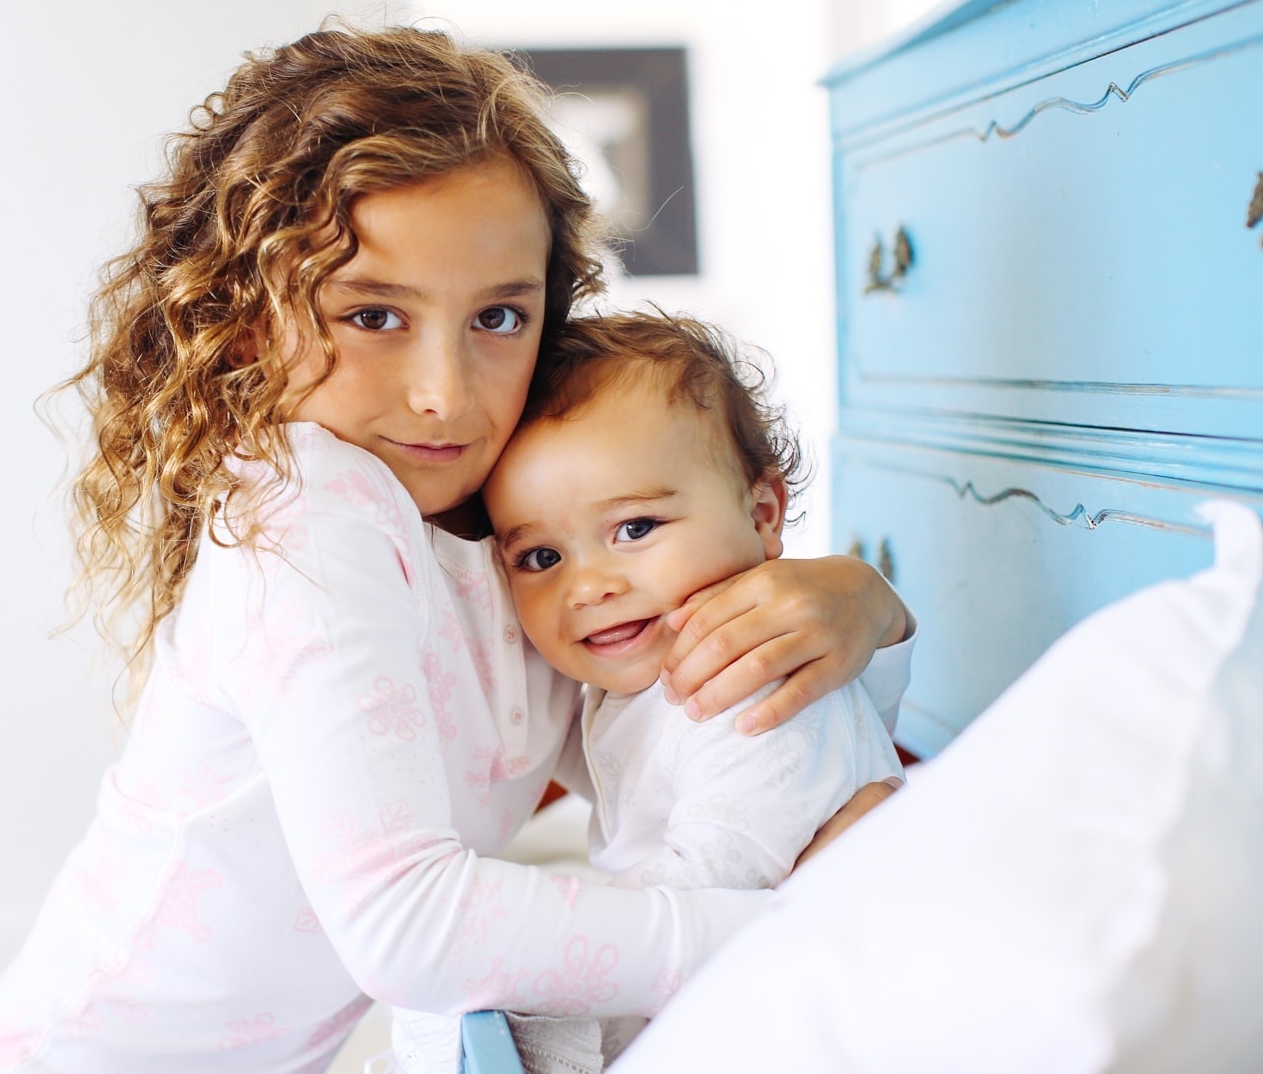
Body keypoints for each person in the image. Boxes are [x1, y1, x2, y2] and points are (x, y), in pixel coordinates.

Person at [0, 25, 912, 1074]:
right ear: (249, 320)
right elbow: (408, 925)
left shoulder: (514, 548)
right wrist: (797, 930)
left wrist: (863, 607)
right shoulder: (309, 512)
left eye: (497, 315)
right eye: (373, 315)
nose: (445, 391)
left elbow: (685, 726)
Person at [387, 311, 906, 1072]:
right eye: (538, 556)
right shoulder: (636, 675)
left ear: (763, 514)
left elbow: (716, 883)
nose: (590, 585)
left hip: (816, 1011)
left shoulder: (748, 690)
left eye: (634, 528)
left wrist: (534, 972)